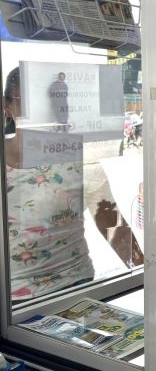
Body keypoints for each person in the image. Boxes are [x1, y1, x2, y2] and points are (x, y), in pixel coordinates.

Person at [3, 67, 94, 302]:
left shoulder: (75, 153)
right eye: (30, 101)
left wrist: (146, 272)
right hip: (14, 295)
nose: (43, 110)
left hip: (76, 281)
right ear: (7, 106)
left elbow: (106, 211)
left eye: (55, 100)